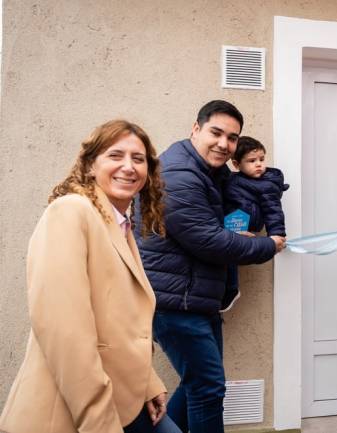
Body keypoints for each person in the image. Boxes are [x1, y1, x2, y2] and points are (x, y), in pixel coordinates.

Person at [0, 120, 180, 433]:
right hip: (78, 408)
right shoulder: (71, 212)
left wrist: (148, 383)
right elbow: (64, 329)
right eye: (115, 155)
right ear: (90, 165)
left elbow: (121, 325)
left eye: (138, 159)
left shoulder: (119, 224)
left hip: (126, 397)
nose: (128, 167)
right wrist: (99, 421)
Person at [134, 100, 285, 433]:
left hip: (196, 299)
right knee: (208, 389)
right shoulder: (178, 174)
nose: (223, 143)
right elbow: (207, 240)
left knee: (198, 385)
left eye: (232, 138)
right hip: (175, 303)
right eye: (216, 132)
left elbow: (226, 221)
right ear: (196, 129)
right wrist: (266, 245)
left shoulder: (211, 174)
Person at [221, 135, 290, 311]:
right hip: (231, 224)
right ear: (236, 164)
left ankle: (231, 288)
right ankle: (226, 288)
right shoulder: (232, 179)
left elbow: (273, 211)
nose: (259, 164)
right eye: (252, 161)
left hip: (248, 225)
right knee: (224, 253)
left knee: (231, 254)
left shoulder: (267, 184)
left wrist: (277, 234)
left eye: (261, 159)